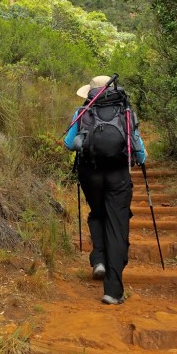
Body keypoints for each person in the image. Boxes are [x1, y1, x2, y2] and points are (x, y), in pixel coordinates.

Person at [64, 75, 146, 305]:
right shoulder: (126, 112)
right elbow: (140, 151)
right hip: (119, 176)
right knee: (117, 226)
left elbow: (69, 144)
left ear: (91, 92)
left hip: (90, 174)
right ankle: (113, 291)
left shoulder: (83, 111)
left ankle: (98, 259)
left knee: (97, 214)